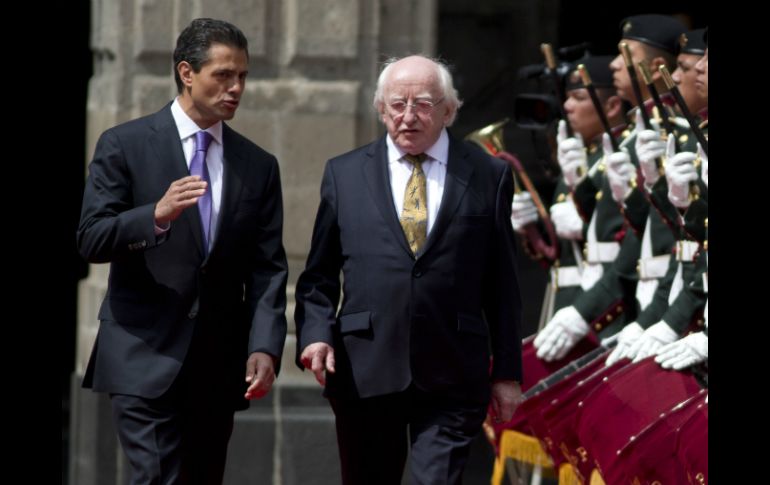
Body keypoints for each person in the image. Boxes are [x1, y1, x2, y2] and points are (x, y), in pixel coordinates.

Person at [76, 18, 288, 485]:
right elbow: (91, 237)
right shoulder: (125, 144)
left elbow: (269, 267)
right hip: (141, 352)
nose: (236, 88)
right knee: (158, 478)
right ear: (187, 72)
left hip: (217, 361)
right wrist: (155, 215)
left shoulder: (258, 165)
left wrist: (265, 345)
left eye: (243, 77)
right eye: (223, 75)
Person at [294, 54, 523, 485]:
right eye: (397, 104)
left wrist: (507, 373)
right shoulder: (343, 174)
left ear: (449, 111)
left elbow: (502, 284)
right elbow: (318, 276)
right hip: (364, 370)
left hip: (453, 374)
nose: (409, 116)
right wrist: (316, 335)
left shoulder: (487, 175)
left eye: (423, 104)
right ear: (381, 109)